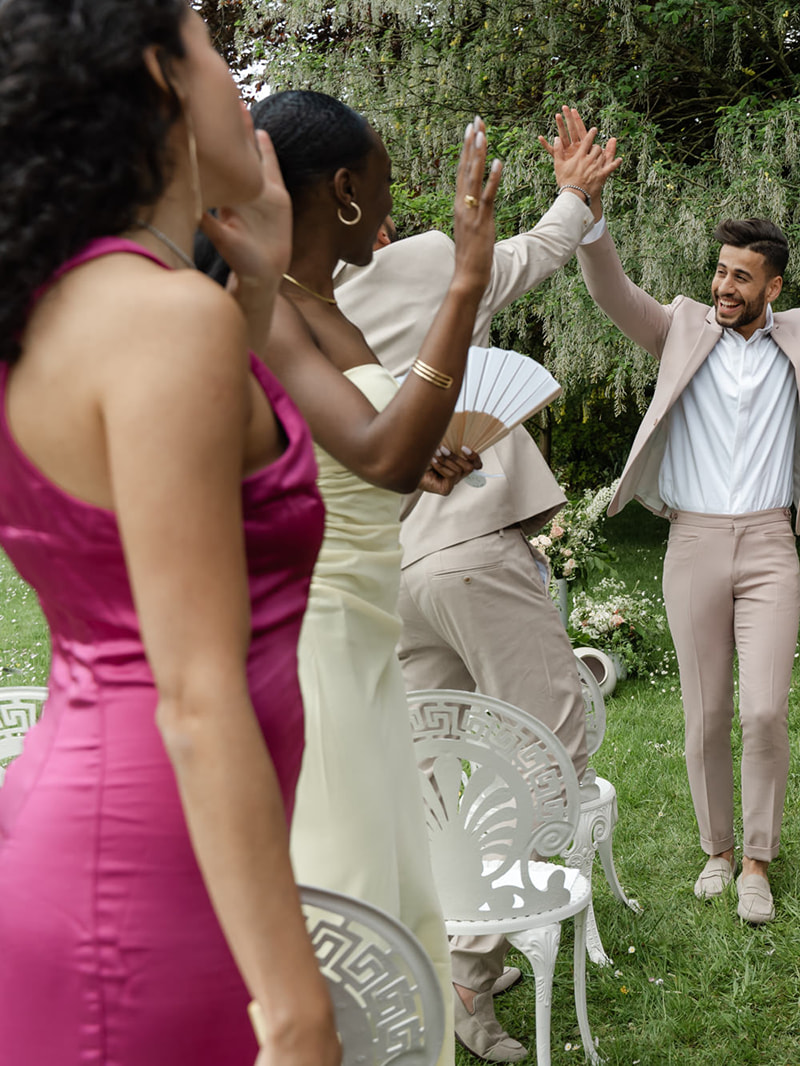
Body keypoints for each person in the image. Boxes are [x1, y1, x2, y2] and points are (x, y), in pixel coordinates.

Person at [0, 4, 339, 1064]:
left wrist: (251, 285)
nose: (246, 92)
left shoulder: (74, 305)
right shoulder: (159, 321)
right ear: (159, 75)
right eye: (216, 55)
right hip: (152, 877)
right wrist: (295, 1010)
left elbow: (194, 491)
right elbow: (193, 691)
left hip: (109, 832)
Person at [333, 111, 620, 1063]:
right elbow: (535, 253)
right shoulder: (416, 261)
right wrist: (578, 189)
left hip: (392, 568)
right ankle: (475, 964)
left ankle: (436, 947)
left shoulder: (301, 312)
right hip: (473, 546)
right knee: (549, 749)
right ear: (348, 203)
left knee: (431, 776)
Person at [575, 109, 800, 924]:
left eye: (740, 278)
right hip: (691, 540)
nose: (724, 287)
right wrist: (588, 212)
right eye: (719, 272)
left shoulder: (798, 336)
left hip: (767, 543)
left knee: (764, 709)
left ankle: (758, 859)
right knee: (706, 709)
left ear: (773, 286)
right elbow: (610, 291)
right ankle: (717, 851)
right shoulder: (681, 324)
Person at [248, 90, 503, 1066]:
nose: (395, 202)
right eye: (387, 181)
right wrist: (463, 286)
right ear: (346, 189)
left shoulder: (324, 306)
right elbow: (380, 451)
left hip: (370, 638)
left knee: (404, 910)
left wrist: (420, 457)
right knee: (347, 909)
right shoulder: (267, 306)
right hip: (315, 648)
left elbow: (369, 467)